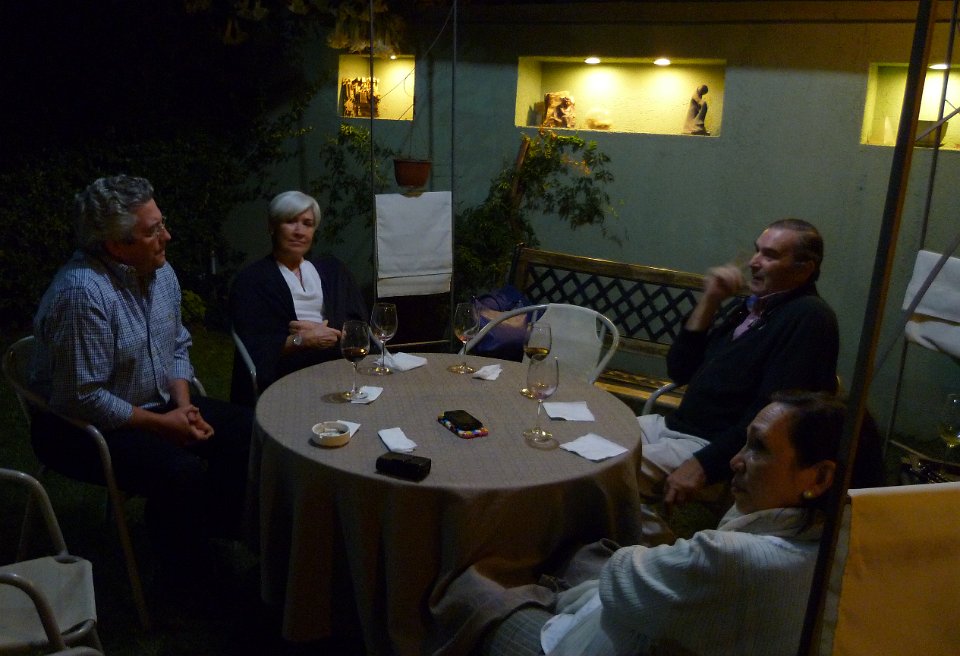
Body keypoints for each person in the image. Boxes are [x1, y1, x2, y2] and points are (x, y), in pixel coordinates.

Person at [475, 391, 844, 656]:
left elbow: (622, 582)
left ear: (820, 478)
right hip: (657, 601)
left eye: (759, 448)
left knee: (470, 593)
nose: (735, 461)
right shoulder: (850, 550)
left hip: (597, 639)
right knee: (586, 553)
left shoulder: (731, 557)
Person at [30, 175, 253, 580]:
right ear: (117, 246)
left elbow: (177, 346)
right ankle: (183, 575)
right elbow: (81, 397)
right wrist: (162, 425)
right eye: (153, 231)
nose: (167, 236)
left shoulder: (160, 274)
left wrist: (183, 407)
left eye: (162, 223)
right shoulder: (83, 294)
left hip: (154, 402)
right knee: (180, 471)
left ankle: (214, 530)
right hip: (76, 427)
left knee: (249, 431)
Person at [639, 218, 839, 544]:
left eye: (770, 255)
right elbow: (680, 370)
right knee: (584, 437)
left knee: (610, 470)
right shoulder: (752, 309)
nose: (754, 262)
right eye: (758, 251)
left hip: (711, 446)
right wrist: (711, 300)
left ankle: (658, 555)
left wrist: (703, 465)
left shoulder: (809, 318)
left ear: (804, 269)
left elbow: (770, 416)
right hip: (672, 426)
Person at [228, 190, 367, 406]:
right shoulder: (253, 281)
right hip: (285, 376)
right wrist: (303, 340)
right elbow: (256, 348)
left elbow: (358, 327)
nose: (299, 231)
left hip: (337, 366)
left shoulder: (333, 272)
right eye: (290, 221)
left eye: (307, 224)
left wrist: (322, 332)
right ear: (272, 227)